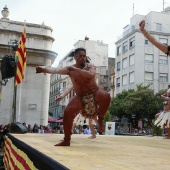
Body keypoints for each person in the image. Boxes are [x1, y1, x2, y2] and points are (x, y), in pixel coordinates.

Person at [36, 48, 111, 146]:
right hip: (80, 96)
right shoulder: (70, 69)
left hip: (94, 92)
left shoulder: (90, 66)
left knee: (106, 96)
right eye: (80, 56)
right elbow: (56, 70)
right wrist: (43, 69)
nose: (83, 58)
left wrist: (76, 69)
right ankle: (67, 139)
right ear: (75, 57)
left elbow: (91, 75)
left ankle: (100, 119)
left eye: (84, 56)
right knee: (67, 112)